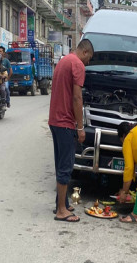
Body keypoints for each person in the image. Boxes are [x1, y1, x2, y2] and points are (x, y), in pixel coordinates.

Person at [48, 39, 94, 222]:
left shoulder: (63, 61)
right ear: (85, 52)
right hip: (65, 122)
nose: (87, 63)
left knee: (60, 163)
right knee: (66, 166)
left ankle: (62, 203)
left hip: (54, 119)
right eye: (89, 58)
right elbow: (77, 98)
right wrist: (81, 127)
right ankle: (61, 211)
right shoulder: (77, 64)